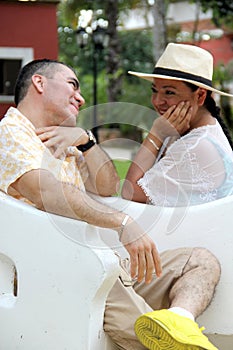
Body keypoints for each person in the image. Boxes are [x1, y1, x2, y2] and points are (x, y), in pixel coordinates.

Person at [0, 58, 220, 350]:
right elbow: (48, 193)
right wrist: (122, 223)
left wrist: (86, 141)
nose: (80, 97)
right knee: (156, 338)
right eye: (72, 85)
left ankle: (177, 320)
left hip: (103, 262)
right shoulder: (11, 131)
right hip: (58, 269)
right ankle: (169, 334)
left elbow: (106, 186)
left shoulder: (61, 139)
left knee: (200, 262)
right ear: (39, 83)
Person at [122, 43, 233, 208]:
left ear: (200, 96)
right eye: (155, 90)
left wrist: (156, 134)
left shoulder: (197, 146)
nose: (157, 101)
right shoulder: (181, 132)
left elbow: (129, 191)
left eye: (169, 92)